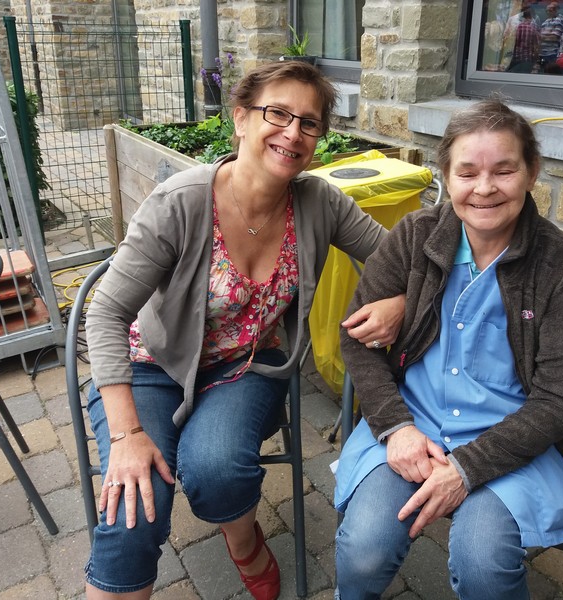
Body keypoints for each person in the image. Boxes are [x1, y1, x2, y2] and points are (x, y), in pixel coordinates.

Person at [83, 60, 405, 600]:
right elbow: (105, 313)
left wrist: (399, 298)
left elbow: (400, 256)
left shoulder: (319, 202)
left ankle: (243, 541)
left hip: (247, 362)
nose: (293, 133)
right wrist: (126, 436)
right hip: (151, 364)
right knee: (133, 511)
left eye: (309, 122)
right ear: (240, 118)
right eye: (277, 114)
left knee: (217, 470)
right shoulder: (181, 202)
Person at [334, 98, 563, 600]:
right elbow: (357, 340)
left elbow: (562, 399)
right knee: (364, 550)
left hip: (513, 442)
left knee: (483, 566)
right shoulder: (414, 237)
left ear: (532, 172)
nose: (484, 188)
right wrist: (396, 427)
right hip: (412, 425)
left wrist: (467, 469)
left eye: (504, 170)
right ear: (446, 176)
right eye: (467, 172)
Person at [538, 2, 563, 70]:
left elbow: (554, 38)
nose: (548, 11)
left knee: (550, 72)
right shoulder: (545, 22)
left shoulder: (559, 21)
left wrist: (542, 37)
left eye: (551, 9)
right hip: (542, 53)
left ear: (556, 10)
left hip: (552, 53)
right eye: (547, 10)